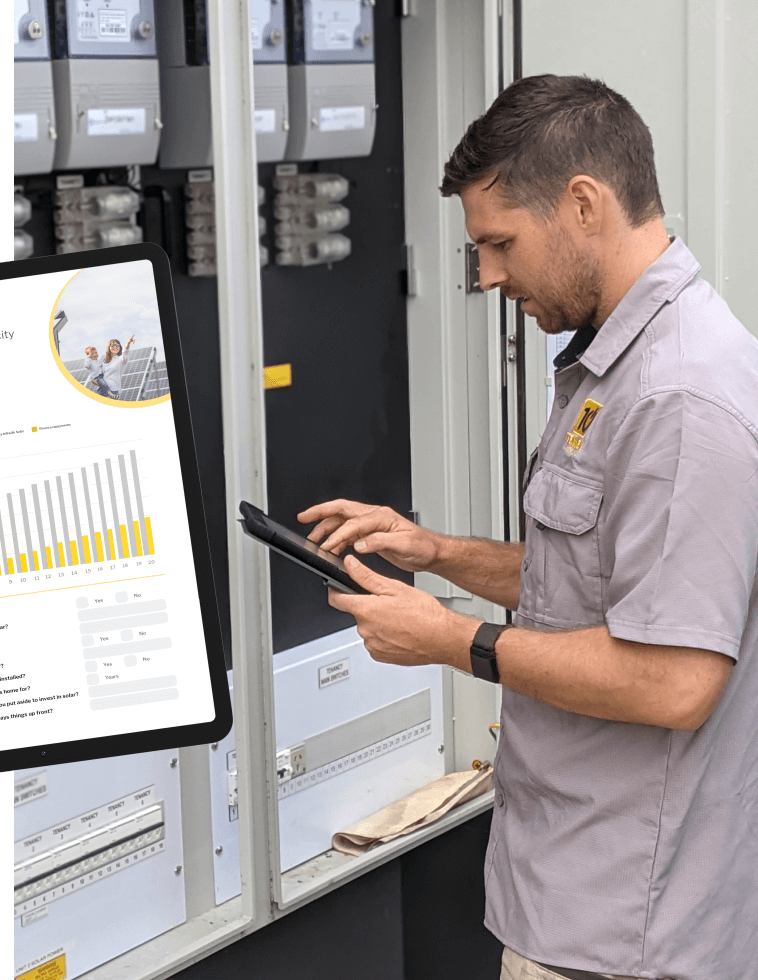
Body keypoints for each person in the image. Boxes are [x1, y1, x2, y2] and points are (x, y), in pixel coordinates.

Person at [299, 75, 757, 980]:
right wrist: (437, 553)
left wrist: (454, 641)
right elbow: (607, 579)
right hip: (576, 895)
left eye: (500, 243)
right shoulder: (612, 368)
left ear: (583, 204)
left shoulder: (678, 397)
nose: (489, 275)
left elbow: (673, 679)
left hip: (629, 935)